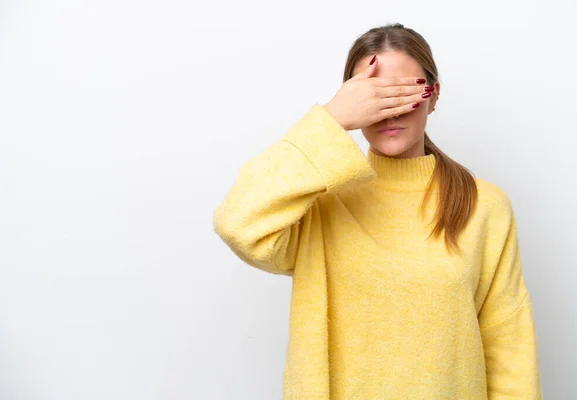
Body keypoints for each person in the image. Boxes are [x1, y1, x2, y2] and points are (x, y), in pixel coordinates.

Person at [213, 23, 542, 399]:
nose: (391, 109)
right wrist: (331, 119)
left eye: (407, 91)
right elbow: (236, 223)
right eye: (375, 94)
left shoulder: (483, 205)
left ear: (434, 97)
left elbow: (509, 348)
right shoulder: (318, 201)